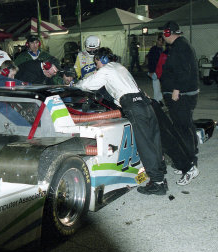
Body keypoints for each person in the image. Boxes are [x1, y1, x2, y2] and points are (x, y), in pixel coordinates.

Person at [75, 47, 167, 195]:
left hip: (133, 105)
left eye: (97, 62)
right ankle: (161, 175)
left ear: (102, 60)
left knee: (145, 145)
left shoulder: (107, 69)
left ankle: (158, 183)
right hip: (145, 103)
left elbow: (88, 84)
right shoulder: (120, 67)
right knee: (154, 140)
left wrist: (74, 85)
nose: (96, 66)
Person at [159, 21, 199, 185]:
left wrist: (176, 89)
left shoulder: (180, 46)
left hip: (181, 96)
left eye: (164, 33)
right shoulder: (181, 45)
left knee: (182, 129)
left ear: (168, 33)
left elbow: (183, 70)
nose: (163, 36)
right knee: (186, 126)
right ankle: (188, 161)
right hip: (184, 95)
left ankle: (190, 166)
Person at [147, 35, 164, 103]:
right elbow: (150, 60)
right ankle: (157, 100)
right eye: (159, 40)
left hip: (160, 70)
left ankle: (159, 99)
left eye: (161, 41)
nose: (160, 42)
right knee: (156, 86)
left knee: (159, 86)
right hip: (154, 70)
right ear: (157, 41)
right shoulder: (153, 49)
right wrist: (151, 71)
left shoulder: (161, 49)